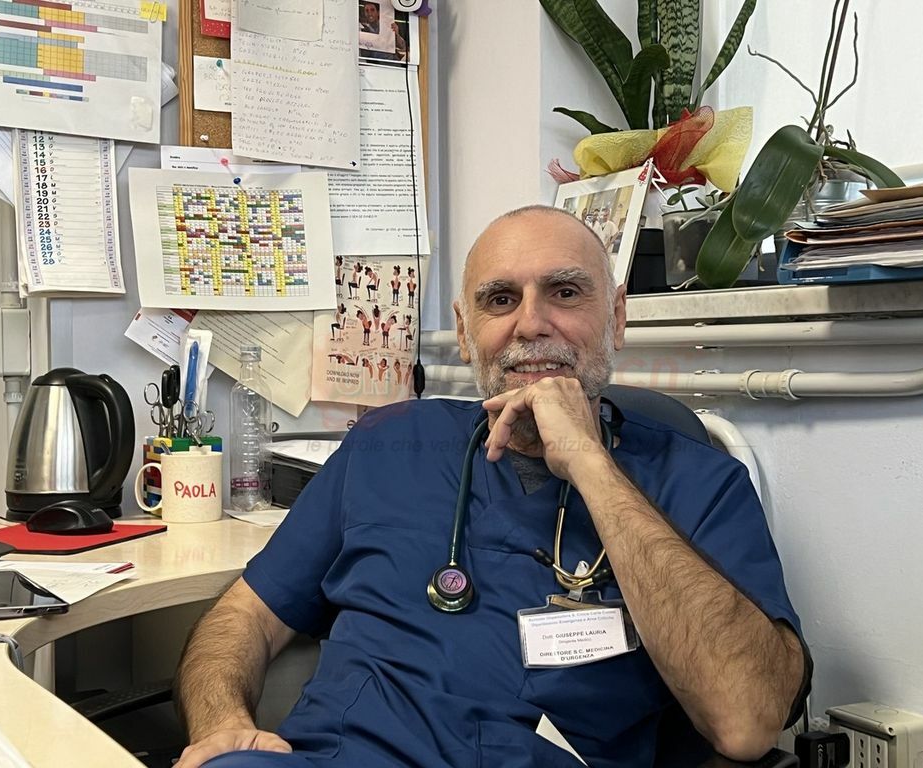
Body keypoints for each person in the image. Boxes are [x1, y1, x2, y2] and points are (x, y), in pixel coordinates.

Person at [173, 205, 809, 768]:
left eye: (565, 292)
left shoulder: (698, 481)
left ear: (616, 317)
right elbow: (244, 616)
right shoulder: (387, 444)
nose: (531, 324)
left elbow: (747, 722)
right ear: (464, 329)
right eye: (500, 300)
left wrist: (591, 464)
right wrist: (221, 725)